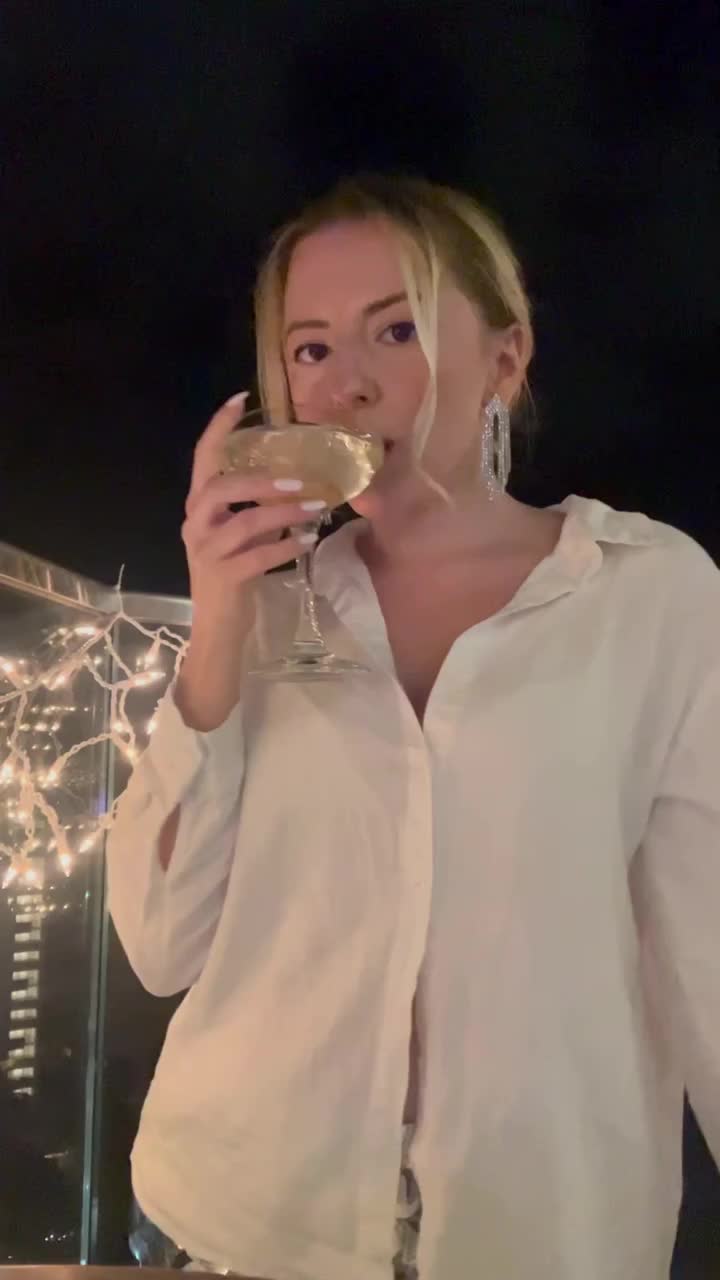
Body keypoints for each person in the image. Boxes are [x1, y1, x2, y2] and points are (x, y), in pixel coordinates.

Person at [107, 173, 720, 1280]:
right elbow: (158, 946)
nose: (346, 384)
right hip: (243, 1224)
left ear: (505, 359)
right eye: (310, 349)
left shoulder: (649, 594)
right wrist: (218, 628)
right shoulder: (266, 616)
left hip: (537, 1237)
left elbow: (707, 936)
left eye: (396, 330)